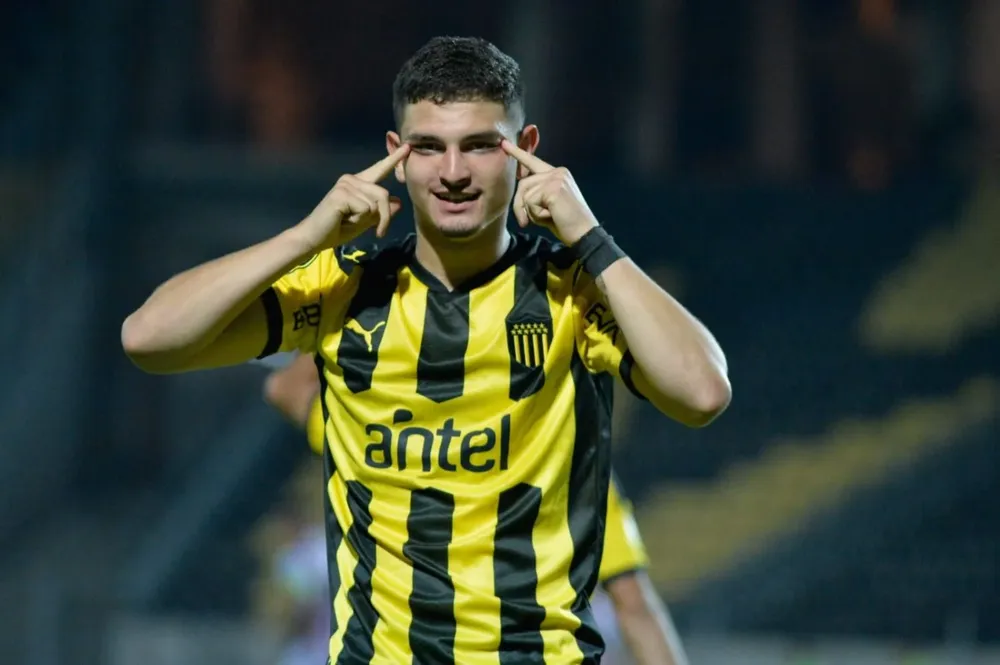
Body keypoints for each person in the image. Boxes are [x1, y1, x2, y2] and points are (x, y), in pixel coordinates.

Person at [122, 36, 729, 664]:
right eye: (430, 147)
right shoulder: (344, 289)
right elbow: (148, 339)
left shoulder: (571, 292)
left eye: (480, 146)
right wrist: (304, 236)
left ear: (525, 151)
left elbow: (704, 392)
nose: (454, 172)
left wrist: (591, 237)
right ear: (396, 155)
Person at [263, 354, 691, 665]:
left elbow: (286, 388)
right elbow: (636, 610)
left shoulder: (391, 446)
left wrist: (358, 310)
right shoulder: (572, 468)